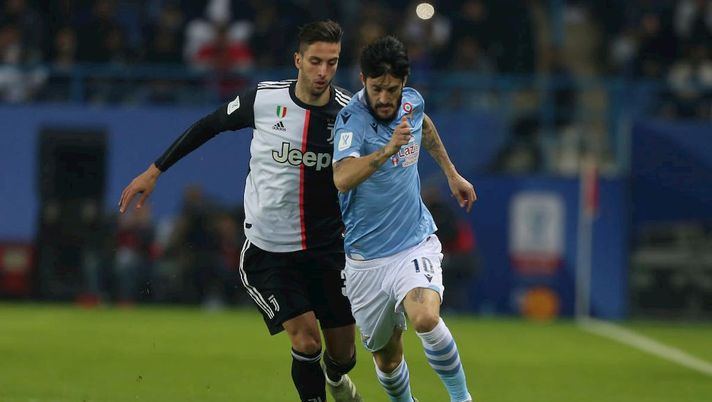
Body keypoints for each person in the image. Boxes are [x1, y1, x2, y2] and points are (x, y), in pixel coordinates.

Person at [118, 20, 362, 402]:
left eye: (332, 63)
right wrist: (154, 171)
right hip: (270, 253)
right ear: (298, 60)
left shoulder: (350, 114)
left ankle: (336, 377)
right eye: (315, 61)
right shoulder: (263, 100)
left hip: (327, 249)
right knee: (306, 341)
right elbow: (209, 125)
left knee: (344, 355)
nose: (323, 71)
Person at [332, 36, 477, 402]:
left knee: (426, 318)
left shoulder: (411, 102)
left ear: (404, 82)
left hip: (413, 242)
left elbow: (423, 124)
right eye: (376, 89)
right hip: (365, 260)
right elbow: (342, 177)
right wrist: (388, 149)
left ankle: (462, 398)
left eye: (392, 89)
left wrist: (451, 173)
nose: (384, 98)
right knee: (387, 356)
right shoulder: (352, 121)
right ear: (363, 80)